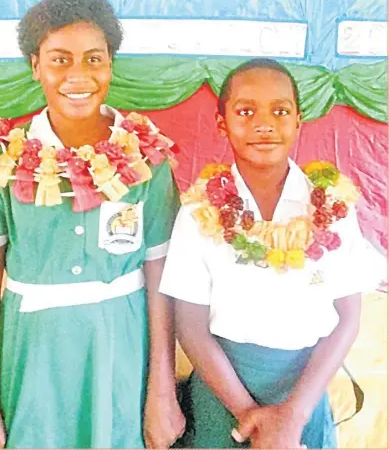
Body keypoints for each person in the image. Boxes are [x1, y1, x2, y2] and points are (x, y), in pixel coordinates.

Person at [0, 0, 185, 449]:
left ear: (110, 64)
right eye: (60, 59)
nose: (77, 75)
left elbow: (161, 278)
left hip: (122, 355)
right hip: (31, 357)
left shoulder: (147, 158)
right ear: (34, 65)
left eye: (93, 59)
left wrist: (162, 388)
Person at [160, 58, 381, 449]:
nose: (264, 124)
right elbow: (189, 324)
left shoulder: (333, 205)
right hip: (222, 386)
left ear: (298, 121)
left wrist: (293, 416)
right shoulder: (199, 210)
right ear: (222, 123)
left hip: (304, 387)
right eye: (246, 111)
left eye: (280, 111)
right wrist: (247, 413)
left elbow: (348, 319)